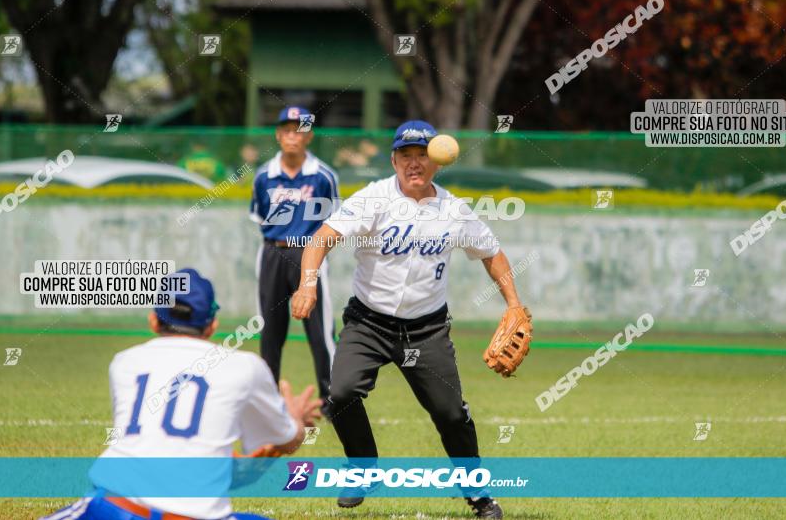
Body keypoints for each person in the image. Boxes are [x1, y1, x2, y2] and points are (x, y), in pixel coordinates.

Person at [291, 120, 529, 519]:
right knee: (342, 391)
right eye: (406, 156)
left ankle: (478, 495)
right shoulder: (373, 199)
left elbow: (492, 253)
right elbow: (321, 239)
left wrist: (514, 303)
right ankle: (362, 469)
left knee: (451, 413)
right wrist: (308, 285)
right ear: (393, 160)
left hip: (426, 331)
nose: (414, 163)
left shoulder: (453, 209)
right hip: (368, 324)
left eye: (422, 155)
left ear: (436, 162)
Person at [43, 268, 322, 520]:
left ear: (154, 320)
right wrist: (295, 418)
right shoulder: (246, 367)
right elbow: (287, 439)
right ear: (212, 325)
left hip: (113, 510)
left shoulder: (124, 363)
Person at [250, 106, 339, 417]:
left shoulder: (324, 176)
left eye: (299, 129)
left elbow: (334, 222)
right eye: (286, 129)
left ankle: (334, 402)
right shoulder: (264, 176)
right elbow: (259, 215)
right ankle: (268, 401)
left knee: (321, 332)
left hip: (309, 254)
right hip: (273, 252)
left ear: (309, 135)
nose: (292, 135)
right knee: (271, 332)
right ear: (278, 134)